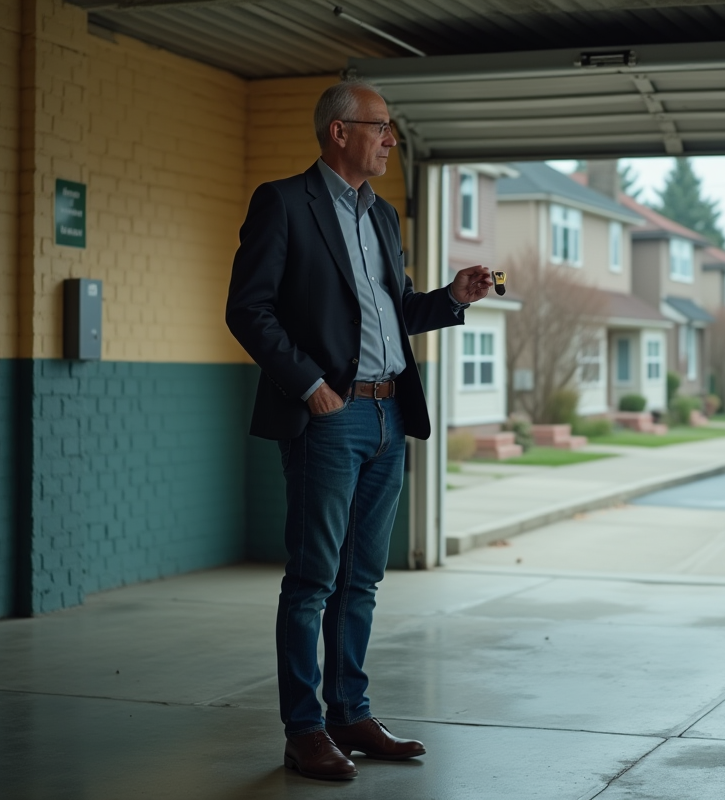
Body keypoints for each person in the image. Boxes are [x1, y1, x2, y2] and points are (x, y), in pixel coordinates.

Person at [225, 79, 492, 781]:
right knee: (313, 578)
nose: (390, 139)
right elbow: (248, 309)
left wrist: (450, 298)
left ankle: (349, 713)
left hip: (388, 413)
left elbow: (391, 311)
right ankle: (304, 730)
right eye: (379, 126)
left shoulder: (384, 216)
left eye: (390, 128)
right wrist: (309, 385)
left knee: (361, 579)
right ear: (338, 132)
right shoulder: (283, 203)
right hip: (330, 416)